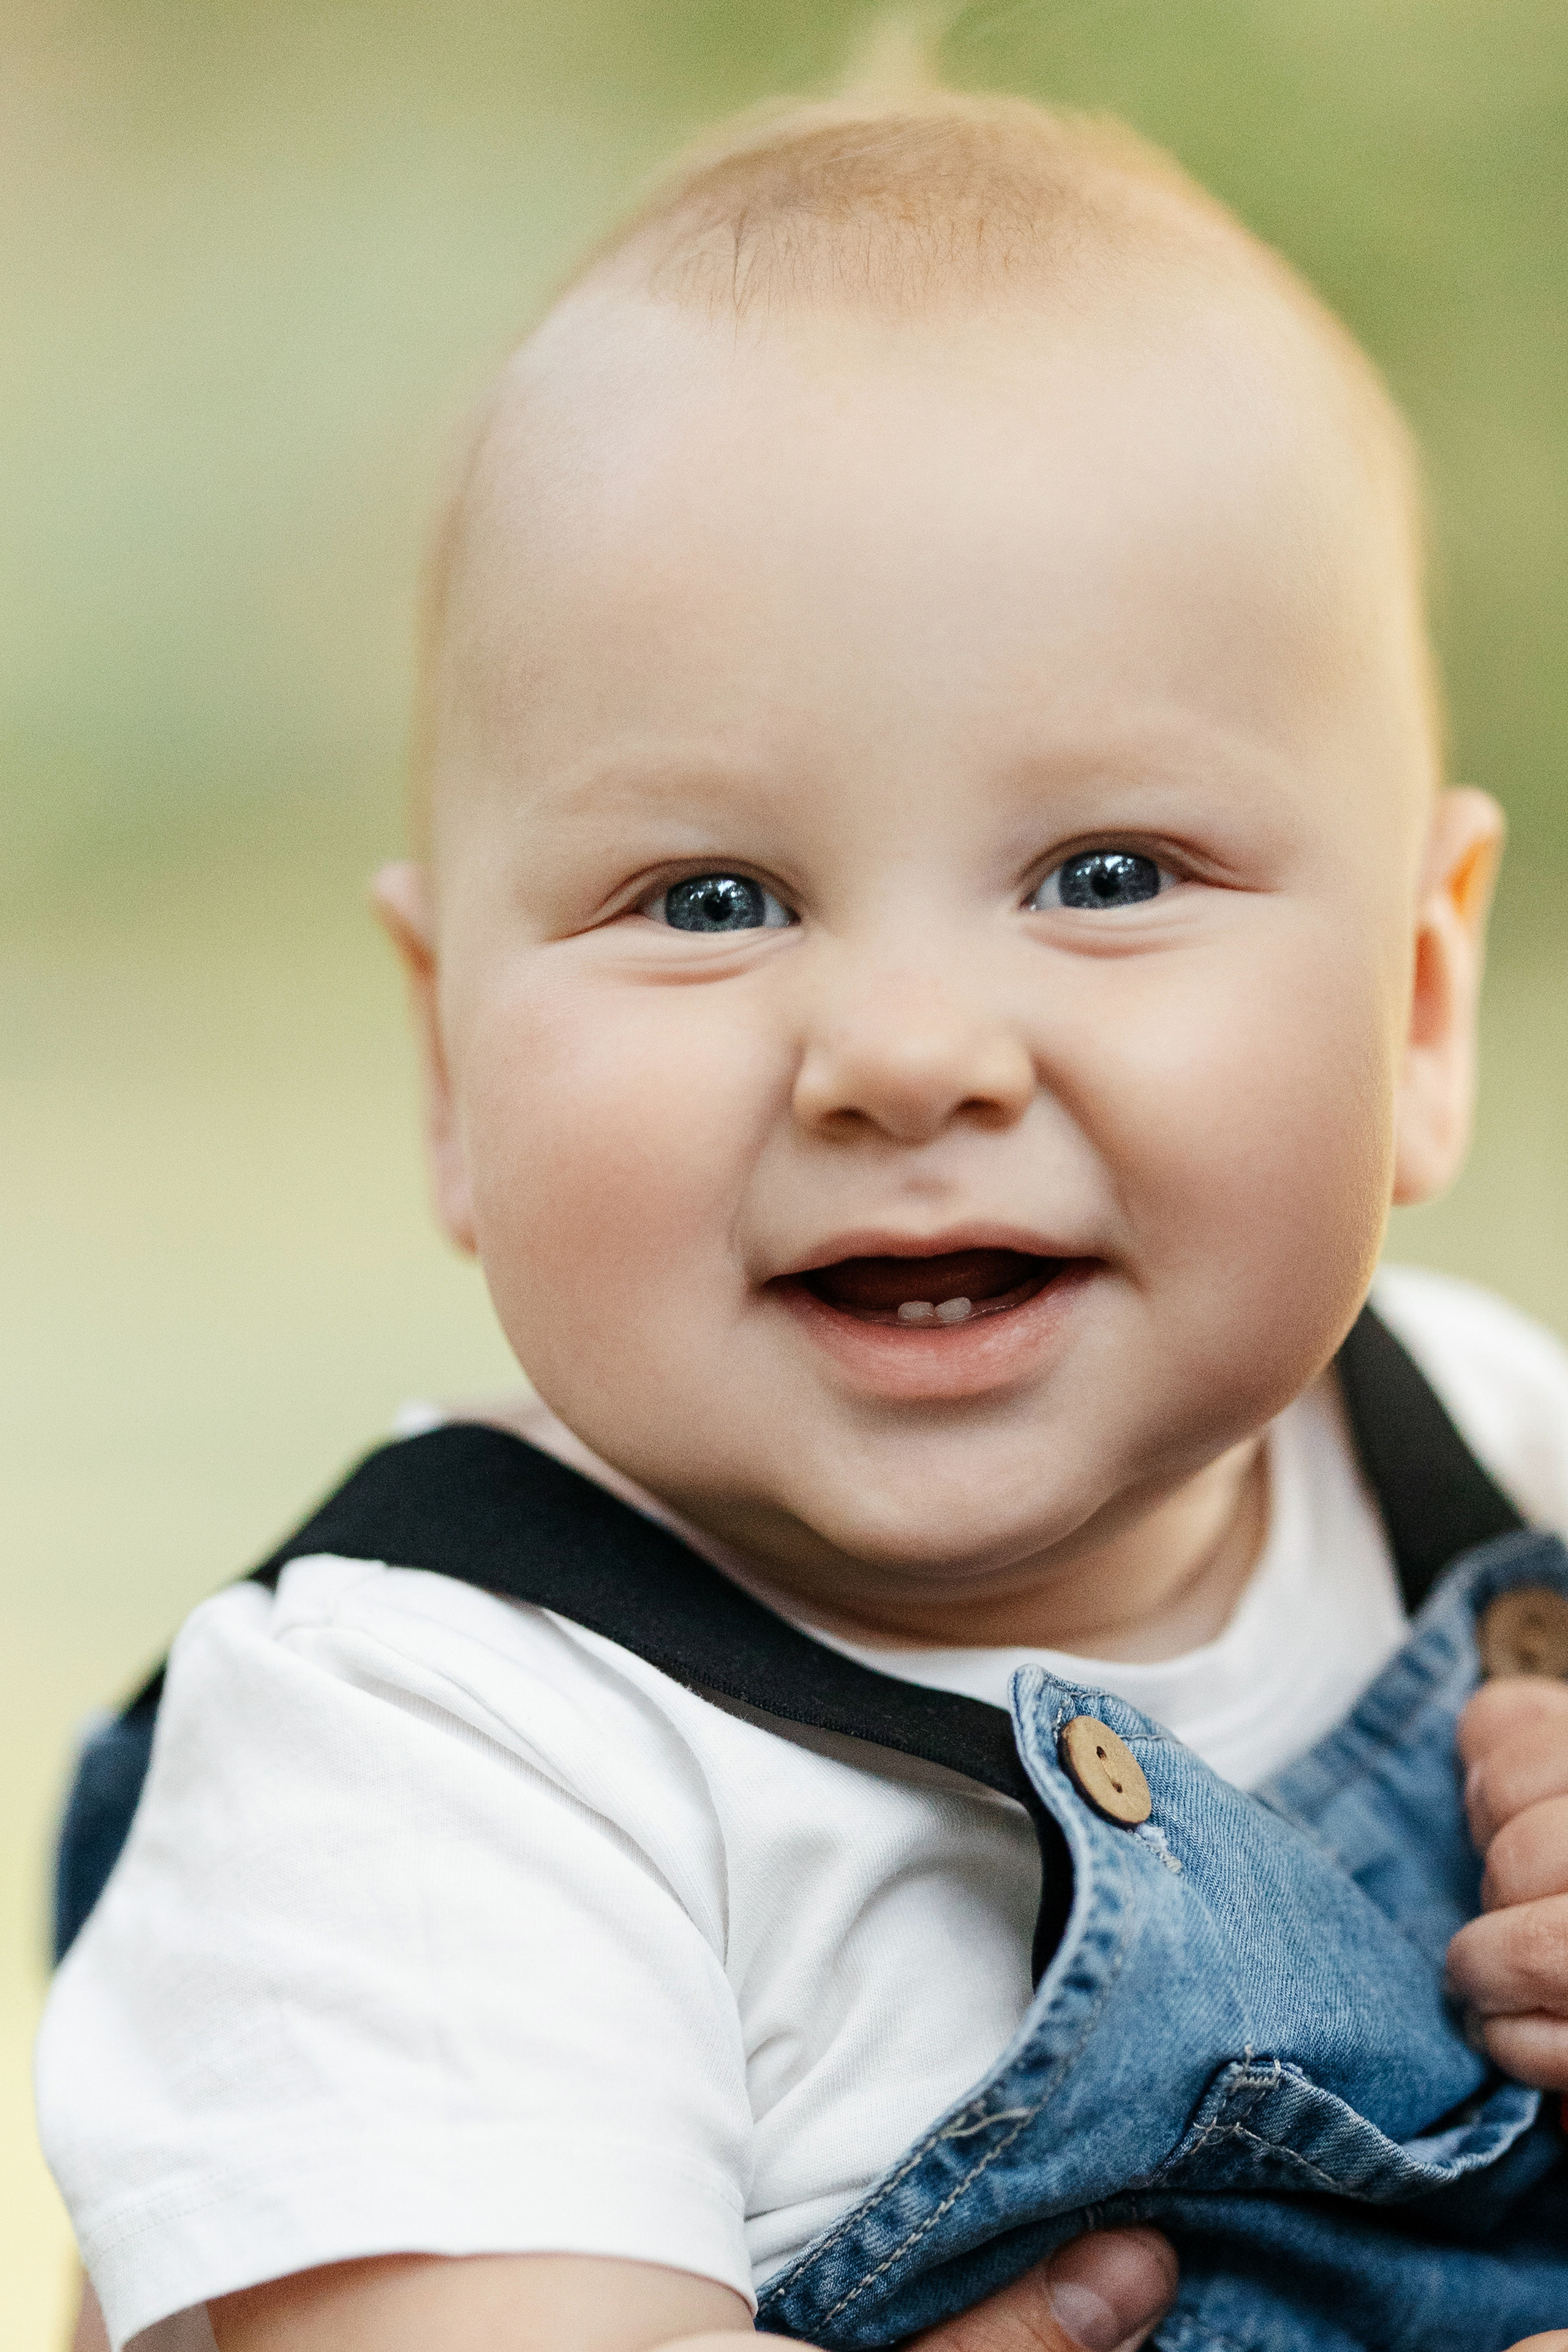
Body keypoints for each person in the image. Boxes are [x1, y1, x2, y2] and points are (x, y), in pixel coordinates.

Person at [36, 85, 1568, 2352]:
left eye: (1110, 875)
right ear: (451, 1058)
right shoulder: (433, 1763)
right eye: (713, 898)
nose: (907, 1050)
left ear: (1419, 1003)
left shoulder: (1502, 1454)